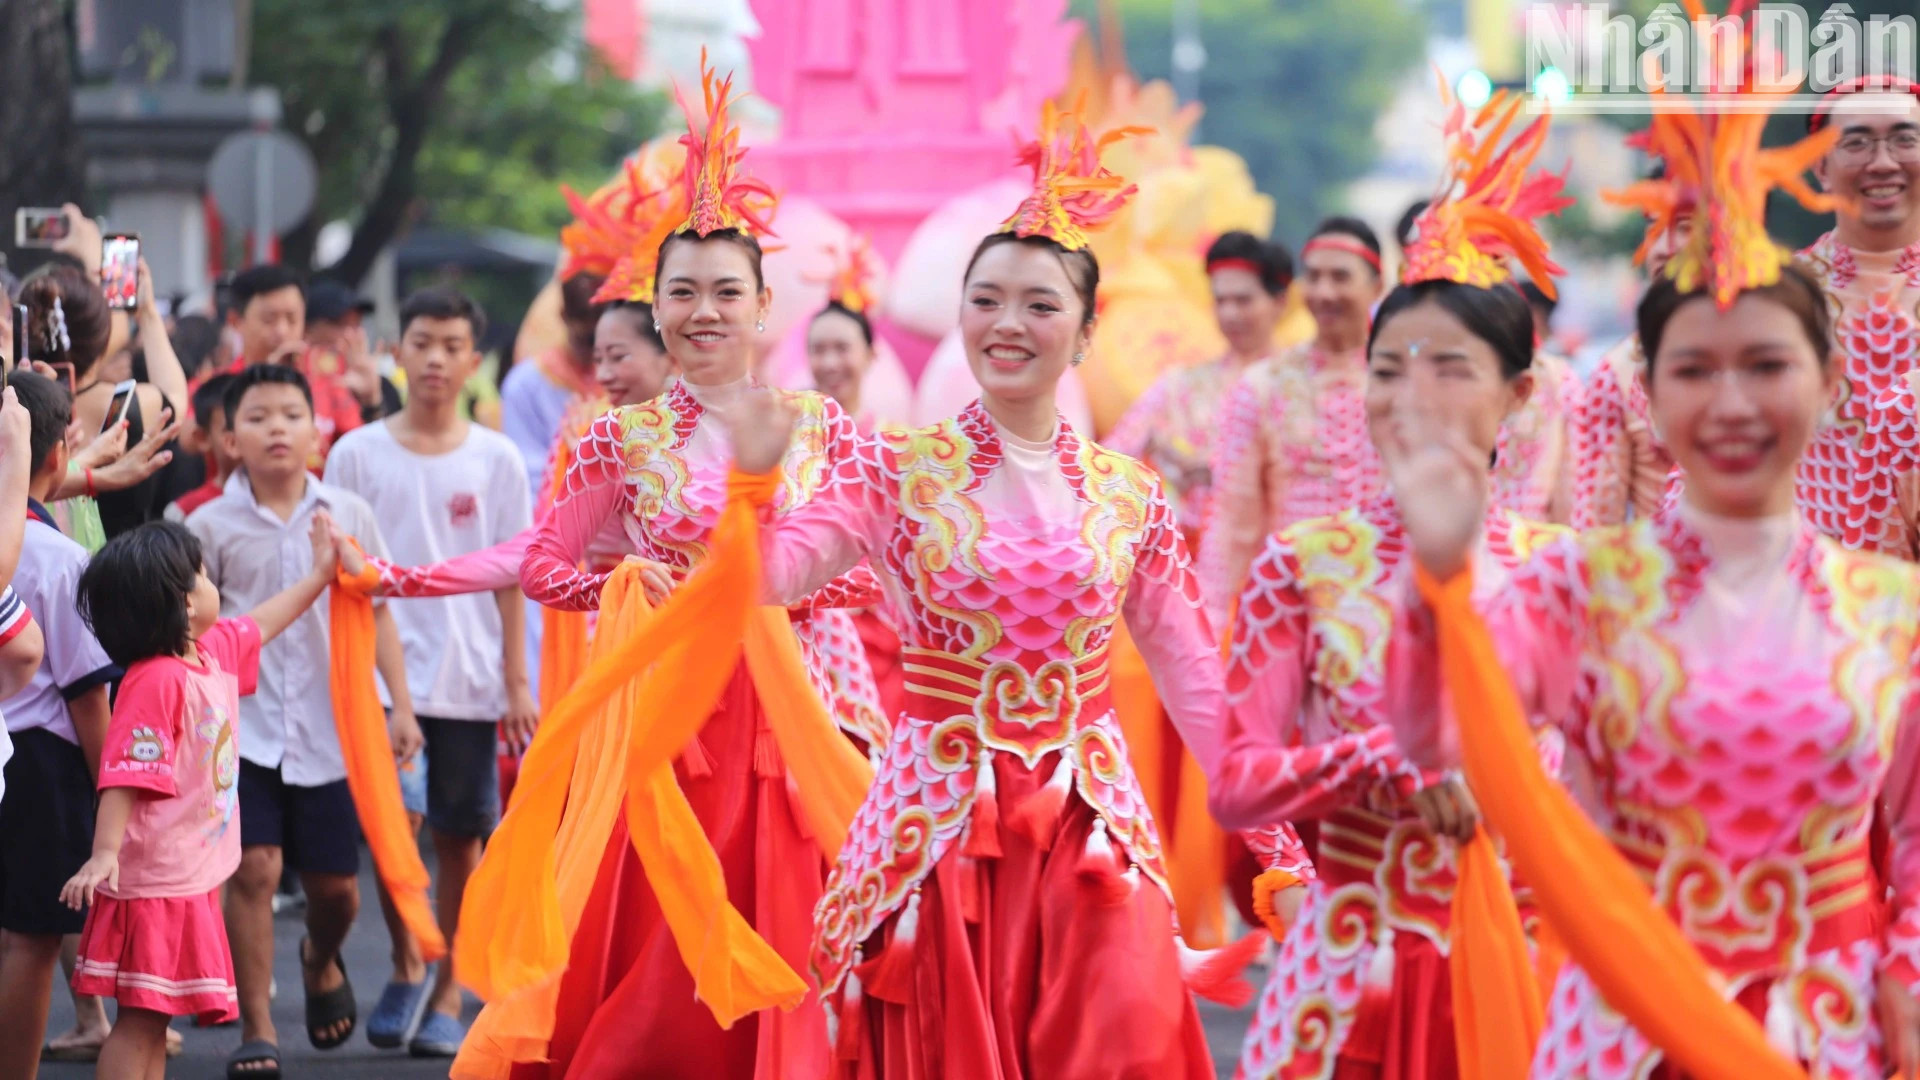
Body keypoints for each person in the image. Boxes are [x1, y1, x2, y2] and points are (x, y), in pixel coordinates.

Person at [1383, 84, 1920, 1078]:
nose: (1731, 405)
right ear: (1649, 386)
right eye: (1694, 371)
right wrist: (1439, 583)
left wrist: (1910, 978)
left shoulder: (1893, 611)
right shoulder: (1580, 591)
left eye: (1766, 365)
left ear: (1828, 382)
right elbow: (1433, 734)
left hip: (1830, 1027)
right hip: (1622, 1022)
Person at [737, 100, 1233, 1078]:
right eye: (987, 300)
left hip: (1092, 826)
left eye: (1040, 305)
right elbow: (767, 578)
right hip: (937, 826)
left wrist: (1288, 840)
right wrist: (750, 492)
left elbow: (1199, 686)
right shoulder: (892, 472)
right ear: (959, 315)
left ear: (1086, 333)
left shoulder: (1127, 495)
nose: (1009, 324)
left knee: (1123, 1030)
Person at [467, 60, 865, 1079]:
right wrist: (631, 589)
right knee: (655, 955)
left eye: (726, 290)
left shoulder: (821, 429)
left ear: (765, 304)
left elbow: (868, 562)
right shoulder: (623, 439)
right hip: (664, 720)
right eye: (681, 291)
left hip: (791, 711)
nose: (703, 311)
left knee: (789, 917)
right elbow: (551, 563)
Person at [1209, 93, 1572, 1075]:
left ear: (1518, 396)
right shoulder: (1306, 564)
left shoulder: (1565, 577)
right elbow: (1236, 783)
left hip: (1527, 962)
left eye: (1450, 368)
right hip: (1345, 975)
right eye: (1388, 369)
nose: (1412, 397)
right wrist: (1389, 761)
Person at [324, 286, 534, 1058]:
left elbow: (516, 571)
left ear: (473, 361)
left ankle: (449, 987)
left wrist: (516, 681)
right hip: (381, 679)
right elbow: (341, 570)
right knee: (392, 828)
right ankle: (411, 956)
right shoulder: (355, 453)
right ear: (398, 351)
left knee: (459, 839)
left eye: (452, 345)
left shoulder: (497, 457)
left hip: (471, 678)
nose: (436, 358)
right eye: (422, 342)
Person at [64, 516, 343, 1080]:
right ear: (185, 604)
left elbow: (263, 622)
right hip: (153, 882)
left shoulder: (206, 654)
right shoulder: (157, 679)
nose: (212, 583)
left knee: (153, 1017)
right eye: (203, 574)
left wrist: (320, 575)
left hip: (184, 876)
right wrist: (105, 853)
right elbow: (123, 773)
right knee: (141, 1021)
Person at [185, 364, 404, 1076]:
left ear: (317, 430)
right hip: (237, 728)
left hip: (329, 727)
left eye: (290, 414)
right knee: (253, 869)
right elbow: (188, 626)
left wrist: (399, 705)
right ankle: (259, 1028)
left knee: (337, 889)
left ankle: (320, 956)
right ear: (226, 437)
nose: (276, 428)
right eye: (257, 417)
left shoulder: (348, 513)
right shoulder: (203, 524)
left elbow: (380, 614)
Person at [0, 374, 117, 1080]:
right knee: (33, 942)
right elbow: (85, 696)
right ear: (60, 454)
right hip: (41, 764)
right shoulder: (63, 559)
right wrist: (114, 795)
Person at [1198, 216, 1387, 631]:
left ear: (1377, 285)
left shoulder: (1406, 382)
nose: (1323, 291)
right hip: (1291, 609)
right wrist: (1210, 626)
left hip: (1389, 605)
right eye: (1314, 277)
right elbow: (1232, 516)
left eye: (1340, 276)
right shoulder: (1262, 386)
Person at [19, 259, 187, 542]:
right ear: (104, 339)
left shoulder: (12, 406)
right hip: (127, 577)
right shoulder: (134, 403)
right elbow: (176, 400)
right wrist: (146, 313)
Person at [1567, 171, 1689, 529]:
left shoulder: (1791, 350)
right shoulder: (1619, 371)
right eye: (1653, 228)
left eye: (1685, 226)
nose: (1664, 247)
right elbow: (1594, 530)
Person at [223, 265, 363, 467]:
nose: (282, 330)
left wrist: (371, 400)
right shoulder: (218, 387)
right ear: (236, 321)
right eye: (269, 319)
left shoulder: (328, 381)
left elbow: (356, 452)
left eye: (292, 319)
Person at [501, 273, 604, 505]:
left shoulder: (625, 378)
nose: (593, 348)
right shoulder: (525, 382)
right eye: (586, 338)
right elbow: (526, 471)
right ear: (563, 317)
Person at [305, 280, 400, 424]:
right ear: (307, 330)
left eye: (356, 324)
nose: (350, 335)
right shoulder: (293, 384)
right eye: (339, 324)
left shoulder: (382, 387)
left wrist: (371, 400)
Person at [164, 374, 239, 523]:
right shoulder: (185, 512)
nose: (245, 434)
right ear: (203, 438)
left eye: (257, 420)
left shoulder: (293, 499)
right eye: (230, 427)